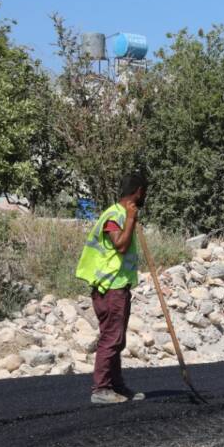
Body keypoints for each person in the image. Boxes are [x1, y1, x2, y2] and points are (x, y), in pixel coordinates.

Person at [75, 173, 148, 405]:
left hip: (119, 285)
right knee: (111, 338)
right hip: (110, 287)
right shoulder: (114, 215)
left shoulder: (122, 214)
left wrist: (132, 219)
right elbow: (120, 245)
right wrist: (129, 219)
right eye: (143, 192)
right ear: (138, 191)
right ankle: (101, 389)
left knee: (118, 339)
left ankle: (117, 386)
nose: (144, 196)